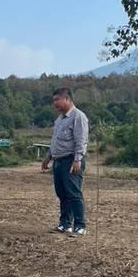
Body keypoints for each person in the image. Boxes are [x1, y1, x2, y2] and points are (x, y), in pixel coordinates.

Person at [40, 88, 89, 237]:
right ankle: (65, 224)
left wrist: (77, 160)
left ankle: (80, 227)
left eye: (57, 100)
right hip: (58, 161)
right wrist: (48, 157)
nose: (54, 103)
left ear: (67, 99)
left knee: (73, 193)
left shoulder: (78, 117)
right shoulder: (60, 119)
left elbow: (81, 140)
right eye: (53, 100)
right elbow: (54, 140)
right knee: (62, 194)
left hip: (71, 160)